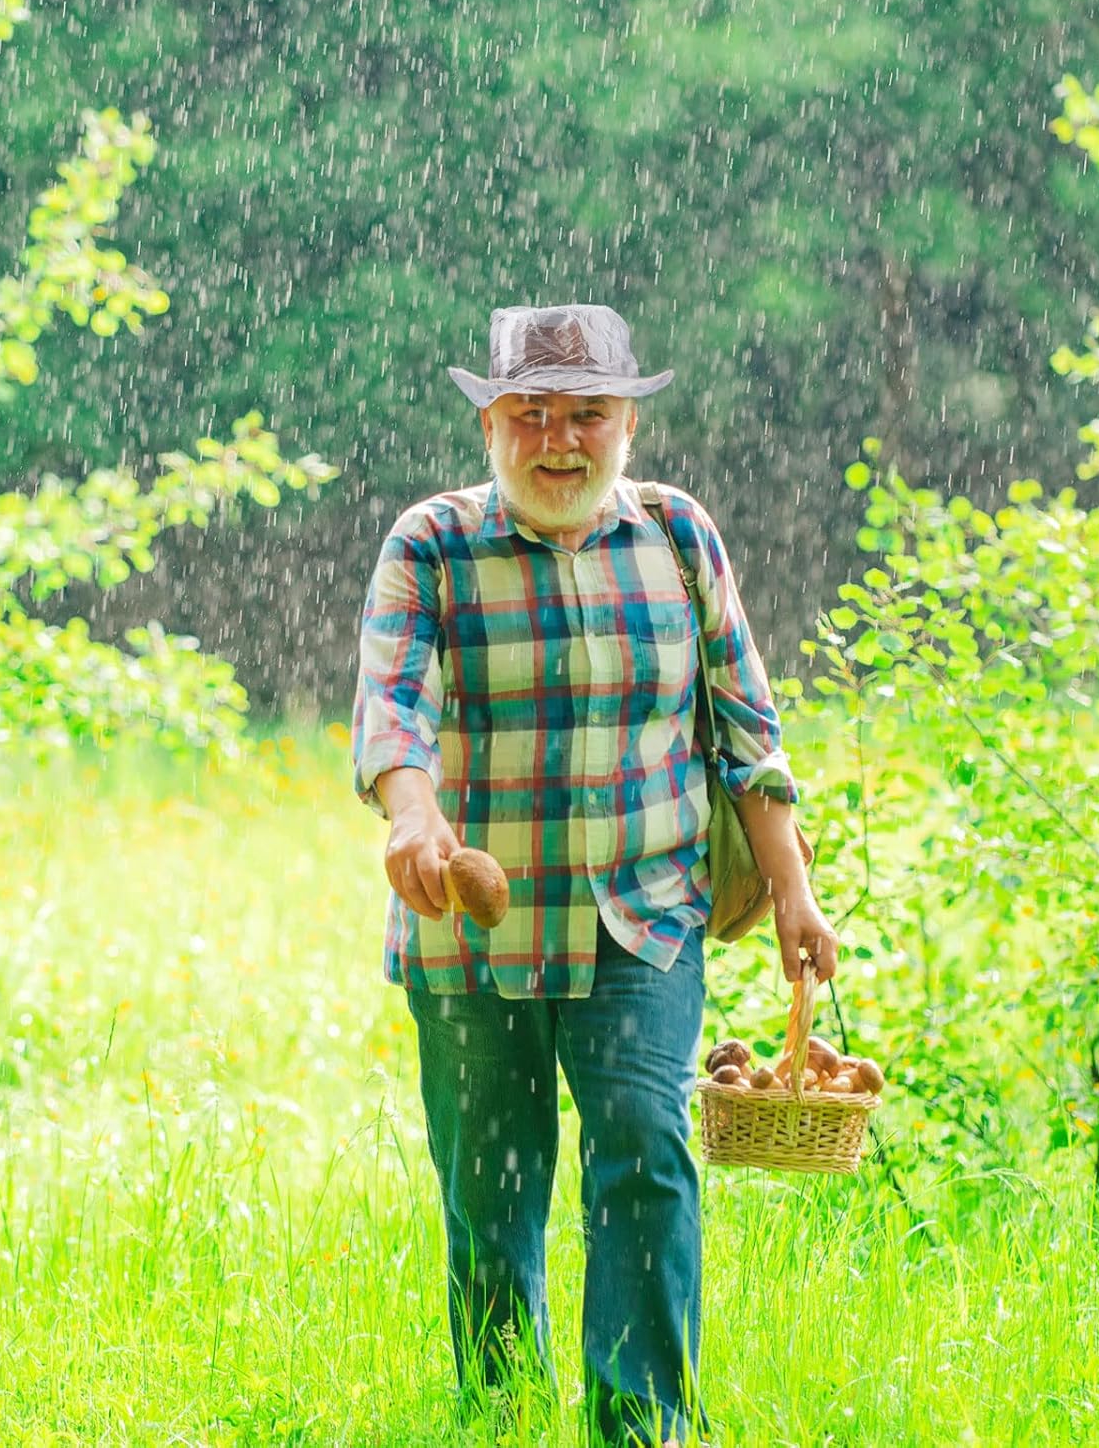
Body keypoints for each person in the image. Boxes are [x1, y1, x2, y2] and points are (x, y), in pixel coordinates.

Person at [350, 304, 840, 1448]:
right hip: (470, 935)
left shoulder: (677, 536)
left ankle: (643, 1426)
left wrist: (793, 894)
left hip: (643, 921)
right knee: (490, 1198)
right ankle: (502, 1416)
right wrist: (411, 820)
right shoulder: (429, 545)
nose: (558, 440)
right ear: (489, 423)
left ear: (630, 422)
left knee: (646, 1157)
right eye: (531, 414)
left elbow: (746, 728)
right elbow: (393, 709)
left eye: (588, 414)